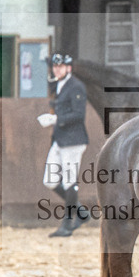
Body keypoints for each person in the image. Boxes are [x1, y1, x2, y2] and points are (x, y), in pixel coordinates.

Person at [38, 53, 90, 238]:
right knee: (50, 180)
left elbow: (78, 115)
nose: (57, 69)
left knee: (69, 182)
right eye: (55, 66)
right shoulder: (59, 85)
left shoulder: (76, 86)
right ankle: (81, 213)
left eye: (60, 66)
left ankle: (67, 224)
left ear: (68, 68)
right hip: (60, 139)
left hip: (73, 141)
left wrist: (55, 119)